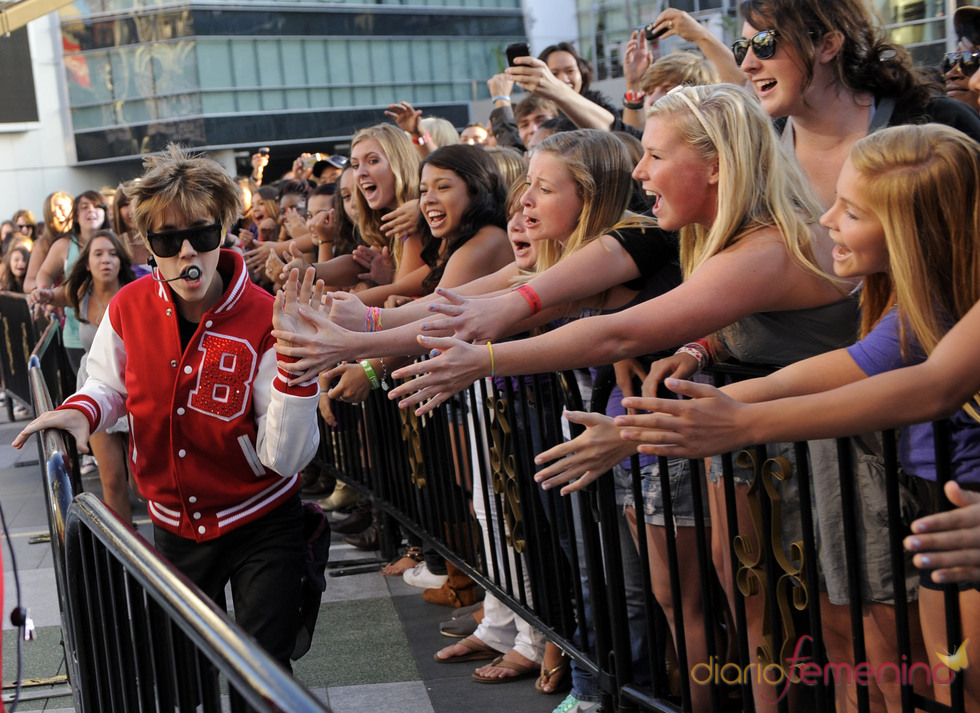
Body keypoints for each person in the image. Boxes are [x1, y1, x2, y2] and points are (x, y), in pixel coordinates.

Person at [617, 123, 980, 710]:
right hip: (946, 512)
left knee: (934, 679)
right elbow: (819, 373)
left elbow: (932, 387)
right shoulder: (912, 303)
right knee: (939, 682)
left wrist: (741, 422)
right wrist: (668, 419)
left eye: (852, 212)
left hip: (950, 508)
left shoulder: (937, 305)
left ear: (914, 230)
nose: (827, 219)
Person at [12, 145, 321, 670]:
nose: (186, 252)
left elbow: (286, 458)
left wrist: (295, 369)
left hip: (263, 518)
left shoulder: (268, 316)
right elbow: (108, 383)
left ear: (223, 230)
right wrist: (81, 411)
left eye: (201, 234)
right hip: (176, 524)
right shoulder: (129, 306)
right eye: (166, 240)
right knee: (181, 670)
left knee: (264, 669)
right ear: (148, 244)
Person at [734, 0, 980, 210]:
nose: (747, 65)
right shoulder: (759, 155)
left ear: (828, 45)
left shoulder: (941, 124)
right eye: (743, 48)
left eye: (764, 43)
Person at [30, 191, 111, 372]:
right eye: (84, 207)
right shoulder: (64, 245)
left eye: (97, 206)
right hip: (76, 335)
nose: (91, 210)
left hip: (114, 333)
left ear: (105, 212)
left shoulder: (118, 240)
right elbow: (45, 272)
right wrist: (45, 291)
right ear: (75, 215)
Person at [24, 191, 72, 292]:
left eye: (61, 208)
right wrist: (45, 288)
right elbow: (28, 283)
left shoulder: (86, 238)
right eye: (52, 212)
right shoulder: (44, 244)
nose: (58, 214)